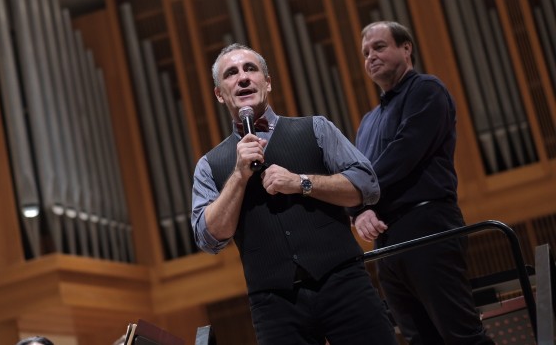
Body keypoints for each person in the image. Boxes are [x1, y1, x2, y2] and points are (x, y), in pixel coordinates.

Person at [191, 43, 397, 344]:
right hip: (274, 306)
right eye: (231, 73)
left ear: (267, 82)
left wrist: (302, 182)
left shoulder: (316, 128)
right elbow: (209, 239)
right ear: (220, 94)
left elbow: (367, 186)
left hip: (344, 284)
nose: (243, 77)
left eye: (250, 69)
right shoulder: (208, 165)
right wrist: (238, 176)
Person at [351, 21, 494, 344]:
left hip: (427, 226)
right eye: (365, 53)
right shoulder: (368, 122)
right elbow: (358, 171)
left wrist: (356, 196)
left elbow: (403, 154)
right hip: (386, 241)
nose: (371, 56)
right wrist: (359, 212)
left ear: (406, 48)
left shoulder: (426, 90)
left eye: (379, 47)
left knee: (461, 336)